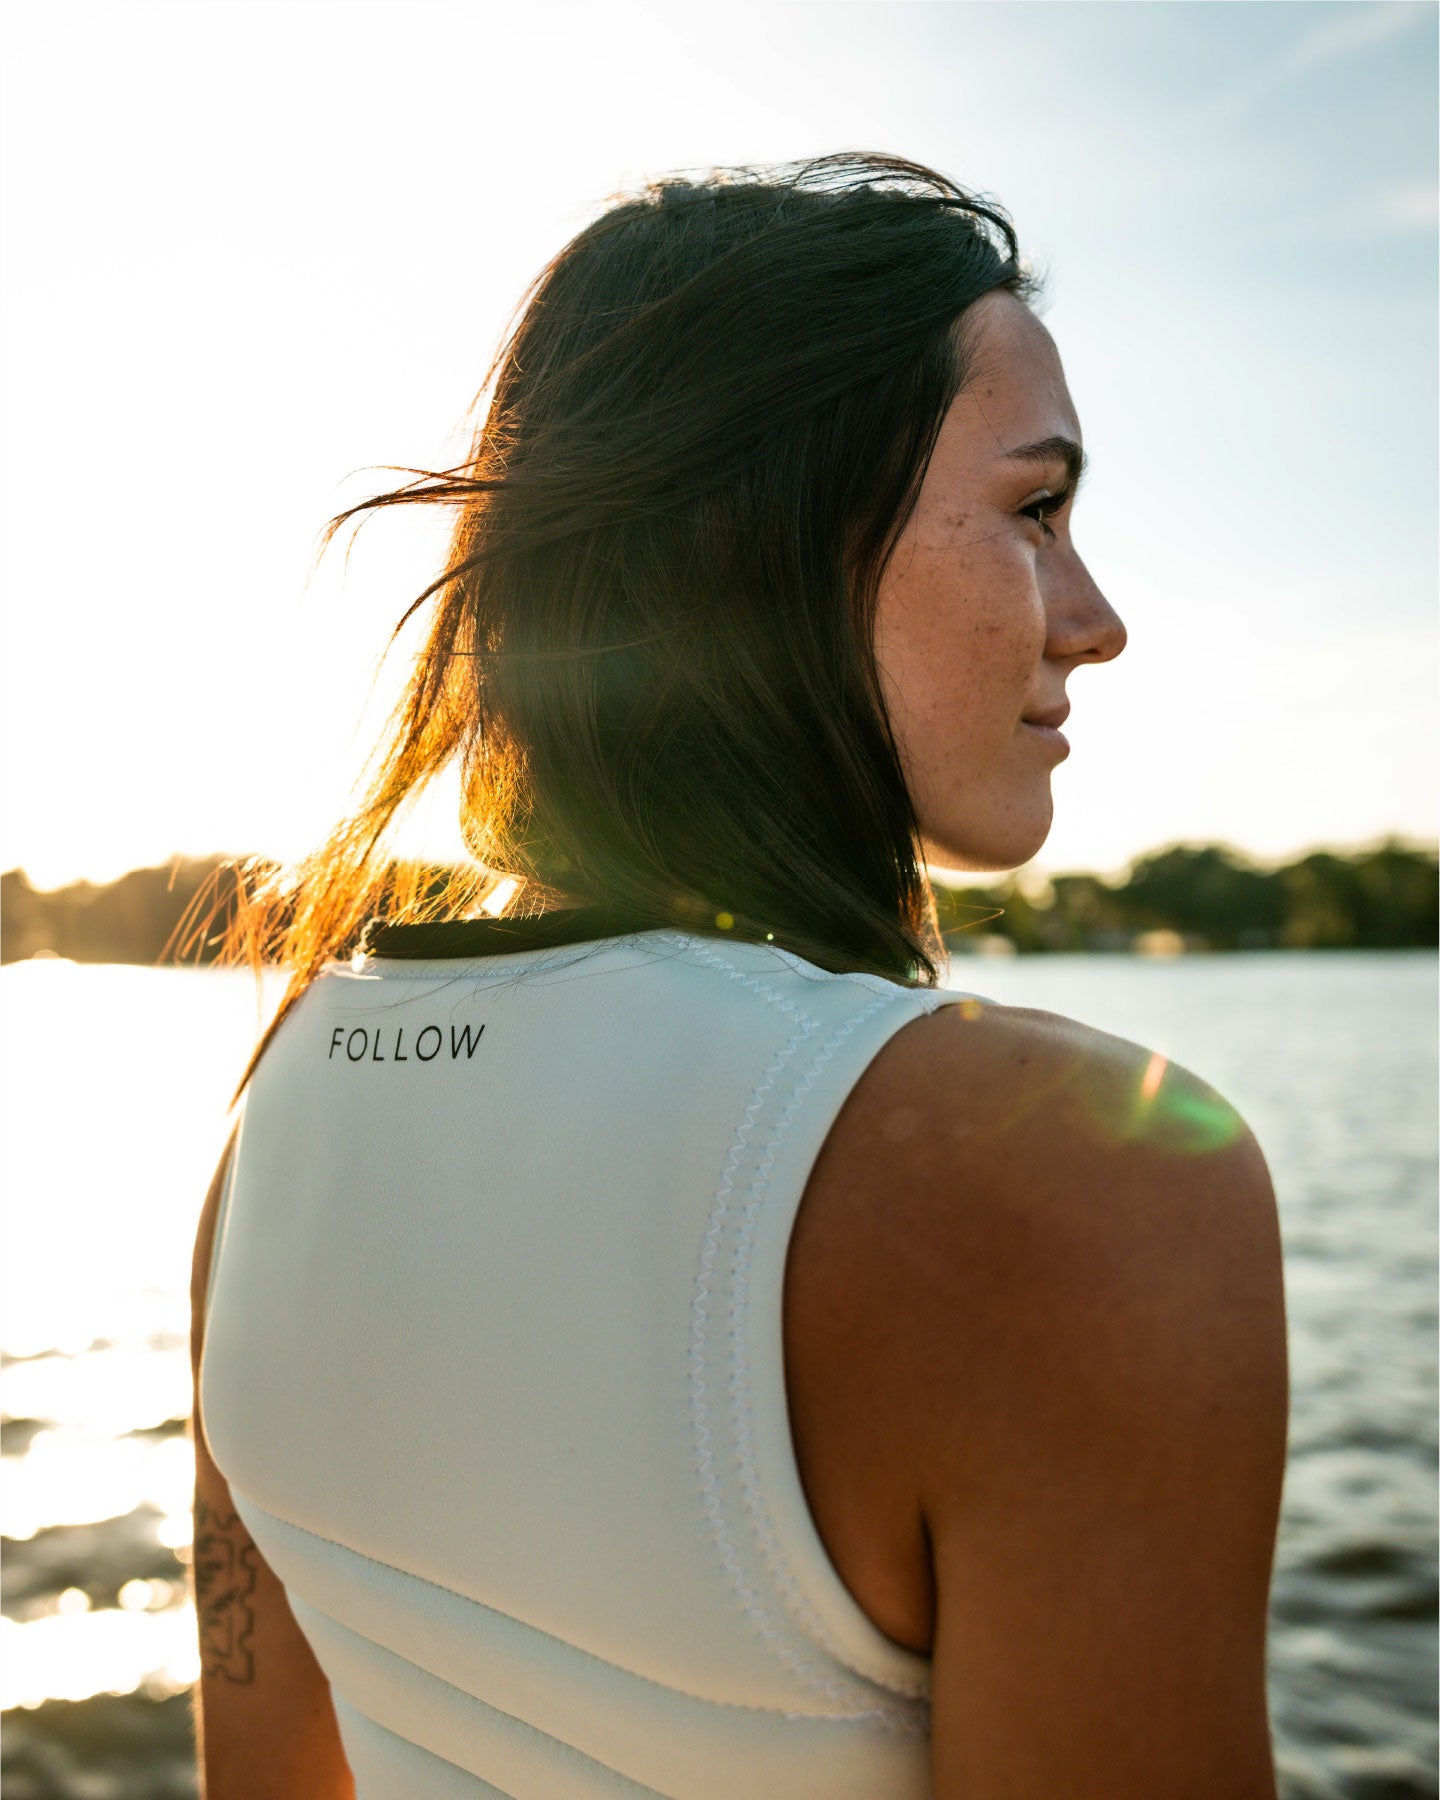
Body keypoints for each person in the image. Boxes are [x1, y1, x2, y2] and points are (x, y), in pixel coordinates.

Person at [188, 152, 1289, 1798]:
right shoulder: (1075, 1174)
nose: (1096, 619)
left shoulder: (278, 1114)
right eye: (1035, 511)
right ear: (769, 537)